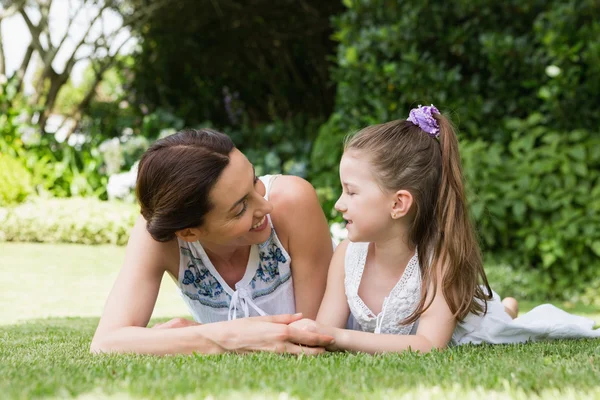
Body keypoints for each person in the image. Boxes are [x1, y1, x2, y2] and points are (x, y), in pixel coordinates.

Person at [290, 105, 600, 353]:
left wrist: (338, 338)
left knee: (498, 327)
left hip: (469, 328)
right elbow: (325, 329)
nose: (339, 204)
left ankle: (505, 309)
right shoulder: (347, 254)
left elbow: (428, 345)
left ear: (398, 204)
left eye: (351, 191)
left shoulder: (438, 261)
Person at [91, 128, 335, 355]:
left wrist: (187, 336)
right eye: (240, 209)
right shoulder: (159, 237)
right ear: (188, 233)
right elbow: (106, 342)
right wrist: (220, 336)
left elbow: (313, 337)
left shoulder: (291, 202)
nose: (265, 206)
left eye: (254, 180)